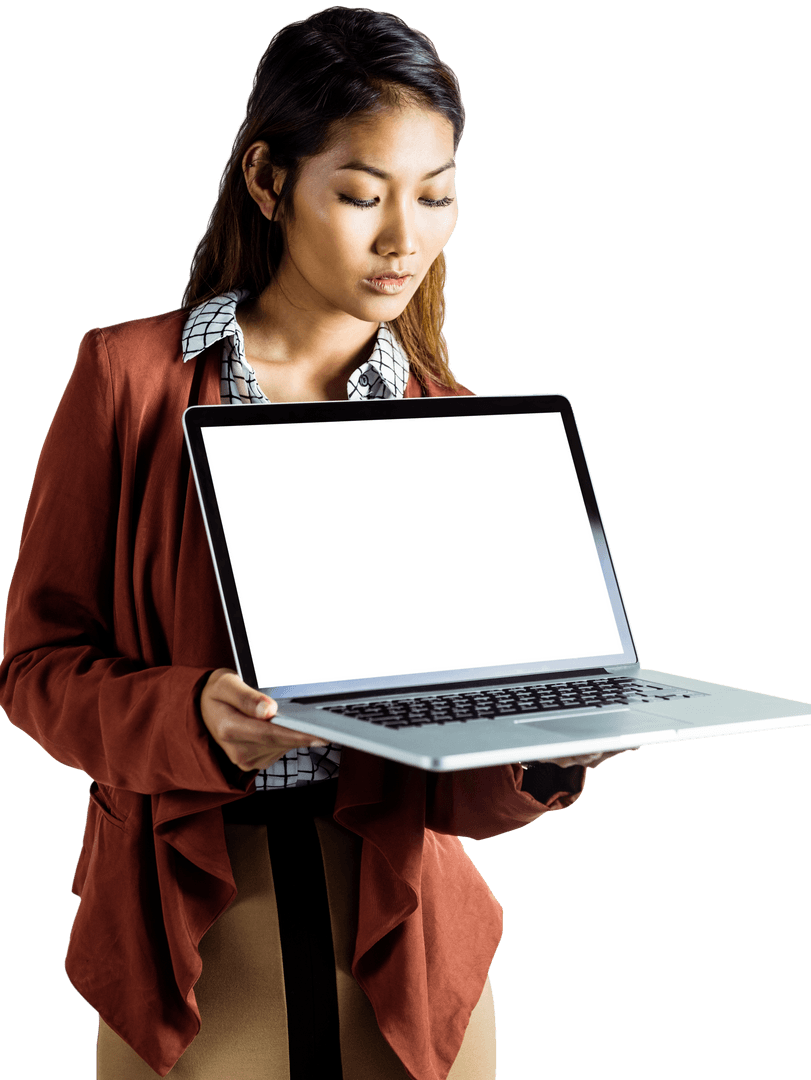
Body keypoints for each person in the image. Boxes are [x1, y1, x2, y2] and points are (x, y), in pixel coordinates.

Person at [0, 7, 629, 1078]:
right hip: (195, 930)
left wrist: (541, 746)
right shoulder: (127, 381)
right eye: (360, 194)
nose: (404, 240)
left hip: (403, 939)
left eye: (436, 196)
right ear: (268, 179)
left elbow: (446, 783)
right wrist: (186, 712)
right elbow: (33, 672)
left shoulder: (447, 419)